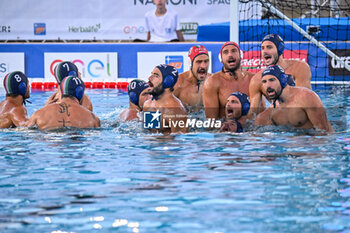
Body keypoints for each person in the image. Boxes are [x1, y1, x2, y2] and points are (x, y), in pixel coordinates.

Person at [255, 65, 333, 132]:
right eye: (264, 82)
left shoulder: (306, 97)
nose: (267, 85)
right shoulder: (270, 113)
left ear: (283, 80)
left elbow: (325, 132)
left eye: (272, 80)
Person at [249, 34, 312, 117]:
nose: (265, 51)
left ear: (280, 49)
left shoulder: (299, 68)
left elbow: (306, 101)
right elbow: (252, 115)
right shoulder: (257, 79)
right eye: (262, 48)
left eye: (269, 47)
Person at [203, 41, 254, 120]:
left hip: (250, 129)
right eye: (226, 52)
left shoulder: (253, 79)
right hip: (226, 129)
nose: (230, 55)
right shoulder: (212, 82)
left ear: (241, 55)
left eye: (234, 51)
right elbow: (211, 122)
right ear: (221, 59)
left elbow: (260, 116)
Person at [27, 76, 100, 130]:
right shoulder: (93, 119)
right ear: (80, 93)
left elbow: (26, 132)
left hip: (51, 145)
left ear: (61, 92)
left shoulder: (38, 114)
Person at [143, 64, 188, 134]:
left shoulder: (176, 111)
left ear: (167, 82)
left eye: (156, 76)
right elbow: (151, 135)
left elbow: (182, 142)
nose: (149, 78)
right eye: (151, 74)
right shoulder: (148, 105)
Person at [173, 45, 210, 112]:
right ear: (190, 63)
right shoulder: (178, 83)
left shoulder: (213, 82)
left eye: (206, 61)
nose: (203, 66)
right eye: (199, 62)